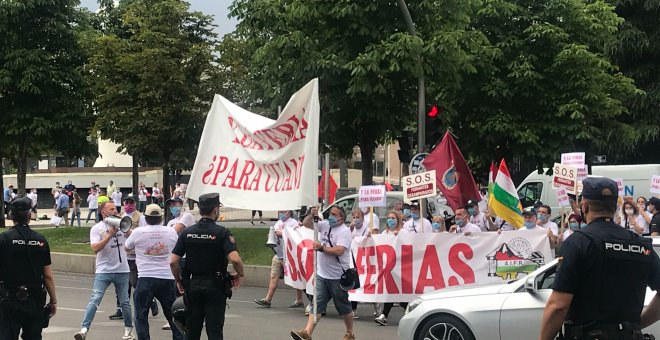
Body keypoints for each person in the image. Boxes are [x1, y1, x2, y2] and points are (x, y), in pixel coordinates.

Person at [539, 177, 660, 340]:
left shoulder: (578, 243)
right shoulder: (641, 245)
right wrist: (637, 324)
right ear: (615, 206)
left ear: (584, 205)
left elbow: (558, 306)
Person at [170, 193, 244, 340]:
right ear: (216, 210)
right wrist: (240, 274)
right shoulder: (222, 233)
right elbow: (235, 259)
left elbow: (173, 261)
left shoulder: (187, 232)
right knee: (214, 330)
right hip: (215, 287)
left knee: (192, 330)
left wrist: (178, 280)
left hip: (193, 286)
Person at [290, 205, 356, 340]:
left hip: (337, 277)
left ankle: (349, 333)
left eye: (334, 214)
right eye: (330, 214)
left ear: (341, 218)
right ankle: (307, 333)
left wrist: (321, 248)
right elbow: (308, 224)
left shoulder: (344, 232)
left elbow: (339, 251)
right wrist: (311, 214)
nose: (330, 217)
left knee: (343, 306)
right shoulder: (325, 225)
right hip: (322, 276)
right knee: (316, 304)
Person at [75, 200, 134, 340]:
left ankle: (128, 330)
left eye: (115, 209)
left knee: (124, 301)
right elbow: (95, 248)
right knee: (95, 299)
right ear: (103, 212)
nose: (115, 211)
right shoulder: (96, 228)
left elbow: (132, 239)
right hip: (104, 270)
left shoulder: (121, 225)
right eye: (112, 209)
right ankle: (84, 329)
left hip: (122, 270)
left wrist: (125, 227)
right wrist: (108, 236)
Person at [0, 197, 57, 339]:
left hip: (9, 298)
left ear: (11, 215)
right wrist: (53, 300)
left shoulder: (4, 239)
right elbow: (48, 275)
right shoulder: (41, 240)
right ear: (30, 216)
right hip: (34, 299)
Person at [125, 204, 182, 340]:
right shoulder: (171, 232)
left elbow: (127, 247)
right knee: (173, 315)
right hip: (167, 278)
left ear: (146, 217)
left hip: (146, 278)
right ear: (161, 218)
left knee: (141, 316)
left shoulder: (139, 232)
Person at [109, 194, 150, 321]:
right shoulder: (120, 217)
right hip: (122, 254)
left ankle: (149, 303)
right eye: (126, 203)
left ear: (135, 204)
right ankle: (120, 308)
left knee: (135, 283)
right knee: (122, 285)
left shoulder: (140, 217)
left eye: (131, 203)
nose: (128, 206)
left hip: (134, 256)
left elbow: (143, 234)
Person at [254, 210, 305, 309]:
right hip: (279, 255)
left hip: (290, 256)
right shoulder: (278, 222)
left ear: (288, 212)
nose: (281, 213)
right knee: (274, 276)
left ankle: (300, 300)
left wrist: (282, 234)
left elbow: (295, 237)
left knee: (296, 278)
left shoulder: (294, 223)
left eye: (283, 211)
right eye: (280, 211)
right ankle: (268, 300)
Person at [374, 211, 409, 326]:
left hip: (401, 266)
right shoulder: (385, 232)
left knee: (400, 293)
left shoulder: (404, 232)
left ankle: (410, 311)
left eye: (393, 218)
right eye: (388, 218)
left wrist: (398, 238)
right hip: (389, 267)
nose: (390, 220)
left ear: (398, 220)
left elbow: (409, 245)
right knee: (391, 290)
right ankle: (384, 315)